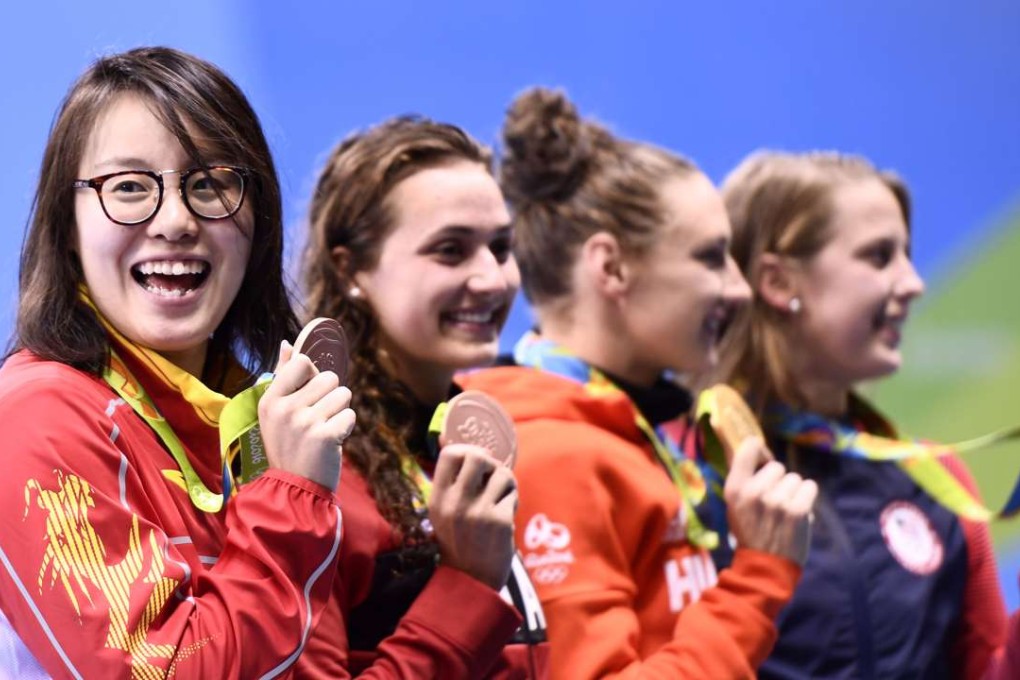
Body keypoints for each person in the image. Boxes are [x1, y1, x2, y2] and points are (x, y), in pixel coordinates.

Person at [0, 47, 355, 678]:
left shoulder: (253, 420)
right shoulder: (37, 415)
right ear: (67, 222)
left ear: (260, 216)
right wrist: (293, 499)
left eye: (211, 183)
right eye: (129, 187)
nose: (175, 221)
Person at [460, 87, 818, 678]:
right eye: (710, 258)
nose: (738, 289)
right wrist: (761, 577)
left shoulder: (641, 425)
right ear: (611, 267)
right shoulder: (550, 452)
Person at [714, 150, 1008, 679]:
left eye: (908, 254)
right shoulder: (690, 472)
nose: (913, 282)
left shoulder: (936, 479)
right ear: (778, 283)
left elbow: (987, 669)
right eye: (879, 257)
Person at [297, 116, 549, 678]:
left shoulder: (457, 438)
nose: (493, 279)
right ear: (352, 269)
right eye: (451, 251)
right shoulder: (316, 471)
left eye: (501, 247)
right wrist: (466, 584)